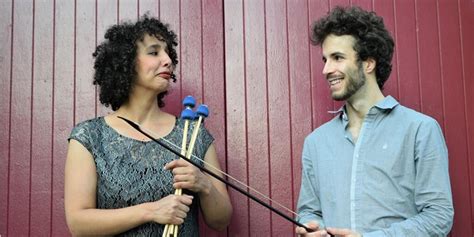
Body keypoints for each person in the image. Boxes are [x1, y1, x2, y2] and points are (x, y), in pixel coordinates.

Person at [64, 15, 232, 236]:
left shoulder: (192, 134)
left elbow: (221, 221)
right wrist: (152, 211)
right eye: (154, 52)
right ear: (125, 62)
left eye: (168, 53)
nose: (167, 60)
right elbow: (78, 224)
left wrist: (204, 185)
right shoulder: (90, 137)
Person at [295, 6, 453, 237]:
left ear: (368, 63)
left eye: (337, 57)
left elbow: (439, 217)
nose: (326, 69)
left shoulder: (421, 130)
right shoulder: (315, 142)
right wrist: (311, 228)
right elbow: (309, 211)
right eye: (325, 59)